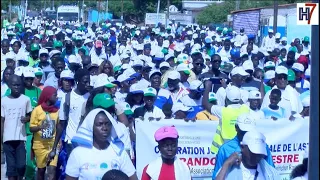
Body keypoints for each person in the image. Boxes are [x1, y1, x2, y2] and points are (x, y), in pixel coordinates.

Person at [65, 109, 138, 180]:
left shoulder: (119, 151)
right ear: (91, 127)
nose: (104, 128)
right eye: (99, 124)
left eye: (107, 124)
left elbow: (132, 177)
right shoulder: (78, 153)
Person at [212, 113, 274, 179]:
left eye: (249, 131)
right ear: (236, 128)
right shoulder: (225, 149)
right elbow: (216, 176)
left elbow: (271, 172)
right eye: (243, 131)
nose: (246, 134)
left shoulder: (262, 147)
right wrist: (227, 163)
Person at [49, 68, 90, 162]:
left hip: (87, 140)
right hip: (72, 140)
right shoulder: (68, 98)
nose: (87, 84)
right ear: (77, 81)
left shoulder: (91, 96)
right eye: (85, 82)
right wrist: (54, 147)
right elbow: (61, 124)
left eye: (88, 81)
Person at [202, 81, 250, 154]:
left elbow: (205, 104)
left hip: (225, 149)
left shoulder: (223, 111)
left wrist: (208, 87)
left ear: (226, 99)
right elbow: (239, 101)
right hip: (241, 147)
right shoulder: (246, 109)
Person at [1, 74, 32, 180]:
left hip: (20, 138)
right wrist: (2, 138)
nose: (16, 87)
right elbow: (2, 120)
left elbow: (30, 115)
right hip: (7, 139)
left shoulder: (26, 100)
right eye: (14, 85)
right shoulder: (3, 100)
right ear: (9, 85)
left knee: (21, 165)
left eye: (19, 85)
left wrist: (27, 119)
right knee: (11, 168)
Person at [215, 131, 279, 180]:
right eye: (253, 153)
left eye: (259, 153)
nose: (257, 156)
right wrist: (226, 164)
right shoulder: (229, 170)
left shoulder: (270, 173)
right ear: (242, 147)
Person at [30, 86, 59, 180]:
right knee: (41, 171)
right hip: (40, 145)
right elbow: (31, 128)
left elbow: (58, 127)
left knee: (52, 170)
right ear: (48, 96)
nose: (57, 97)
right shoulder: (37, 110)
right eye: (55, 95)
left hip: (52, 145)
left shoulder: (57, 111)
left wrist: (59, 142)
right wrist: (40, 127)